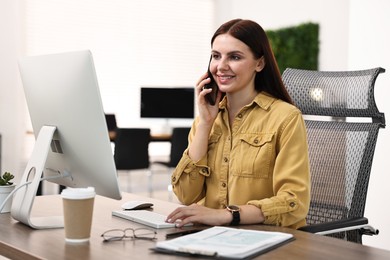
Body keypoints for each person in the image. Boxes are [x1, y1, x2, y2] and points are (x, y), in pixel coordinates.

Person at [166, 19, 310, 229]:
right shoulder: (205, 121)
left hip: (266, 240)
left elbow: (294, 202)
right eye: (216, 56)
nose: (221, 66)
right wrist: (206, 124)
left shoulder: (285, 117)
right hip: (210, 237)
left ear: (259, 63)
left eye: (234, 57)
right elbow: (186, 195)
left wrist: (227, 215)